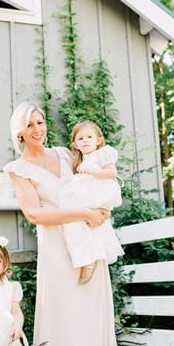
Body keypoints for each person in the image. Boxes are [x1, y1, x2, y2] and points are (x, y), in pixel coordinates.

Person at [3, 102, 121, 346]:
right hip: (56, 251)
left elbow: (96, 184)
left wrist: (101, 208)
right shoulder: (19, 169)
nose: (38, 129)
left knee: (90, 321)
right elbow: (35, 214)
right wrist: (83, 213)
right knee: (63, 325)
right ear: (20, 132)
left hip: (88, 246)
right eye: (30, 125)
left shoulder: (66, 155)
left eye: (40, 122)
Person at [59, 120, 124, 284]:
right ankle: (86, 258)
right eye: (81, 138)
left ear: (99, 140)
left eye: (89, 137)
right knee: (76, 225)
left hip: (99, 195)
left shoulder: (103, 154)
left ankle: (89, 261)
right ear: (75, 144)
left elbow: (111, 173)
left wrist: (91, 171)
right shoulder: (79, 162)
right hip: (86, 197)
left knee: (92, 225)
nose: (85, 140)